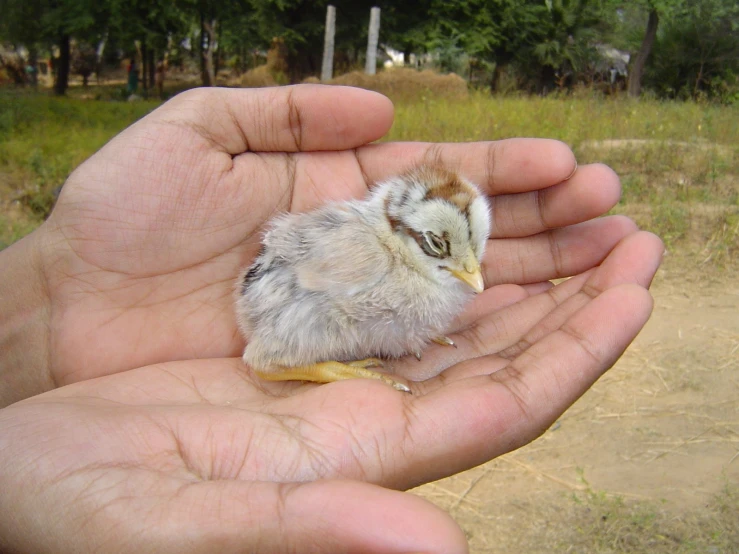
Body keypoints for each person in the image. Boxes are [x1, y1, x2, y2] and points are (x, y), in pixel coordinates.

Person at [0, 85, 663, 553]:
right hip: (285, 311)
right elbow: (286, 274)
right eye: (441, 247)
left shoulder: (417, 257)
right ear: (400, 227)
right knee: (309, 329)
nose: (471, 271)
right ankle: (300, 363)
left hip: (307, 285)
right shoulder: (359, 248)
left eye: (471, 253)